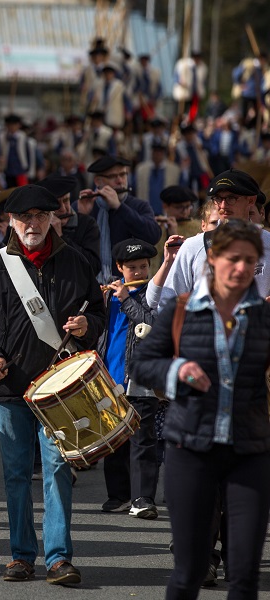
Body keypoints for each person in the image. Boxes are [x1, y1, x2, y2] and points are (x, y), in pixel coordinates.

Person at [0, 185, 105, 586]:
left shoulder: (75, 261)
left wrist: (87, 326)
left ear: (54, 218)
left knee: (58, 470)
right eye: (24, 218)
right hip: (12, 389)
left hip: (60, 388)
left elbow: (98, 312)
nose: (33, 224)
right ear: (10, 222)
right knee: (17, 474)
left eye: (41, 216)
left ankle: (58, 558)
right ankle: (21, 556)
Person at [130, 219, 270, 600]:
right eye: (232, 259)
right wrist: (177, 368)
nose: (241, 269)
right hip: (190, 449)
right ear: (211, 259)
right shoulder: (180, 310)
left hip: (249, 453)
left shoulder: (263, 317)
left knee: (243, 576)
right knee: (189, 570)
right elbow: (140, 365)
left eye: (250, 261)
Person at [97, 238, 159, 518]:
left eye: (143, 267)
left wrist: (126, 298)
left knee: (143, 440)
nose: (138, 273)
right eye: (131, 267)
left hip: (140, 378)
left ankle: (143, 498)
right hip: (109, 377)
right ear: (119, 268)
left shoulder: (153, 294)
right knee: (114, 440)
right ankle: (118, 496)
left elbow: (150, 324)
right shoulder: (106, 295)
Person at [147, 170, 270, 311]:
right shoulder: (193, 246)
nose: (223, 205)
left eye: (231, 198)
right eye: (218, 198)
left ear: (251, 200)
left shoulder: (268, 243)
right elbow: (167, 301)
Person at [76, 155, 162, 284]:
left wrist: (119, 207)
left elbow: (153, 235)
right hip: (91, 286)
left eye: (123, 175)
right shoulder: (85, 206)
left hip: (128, 287)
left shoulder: (138, 206)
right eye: (113, 177)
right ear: (98, 181)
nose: (120, 181)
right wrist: (82, 217)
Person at [35, 174, 102, 274]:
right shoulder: (37, 227)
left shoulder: (87, 223)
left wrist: (61, 238)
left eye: (66, 200)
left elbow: (93, 267)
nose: (63, 209)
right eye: (56, 204)